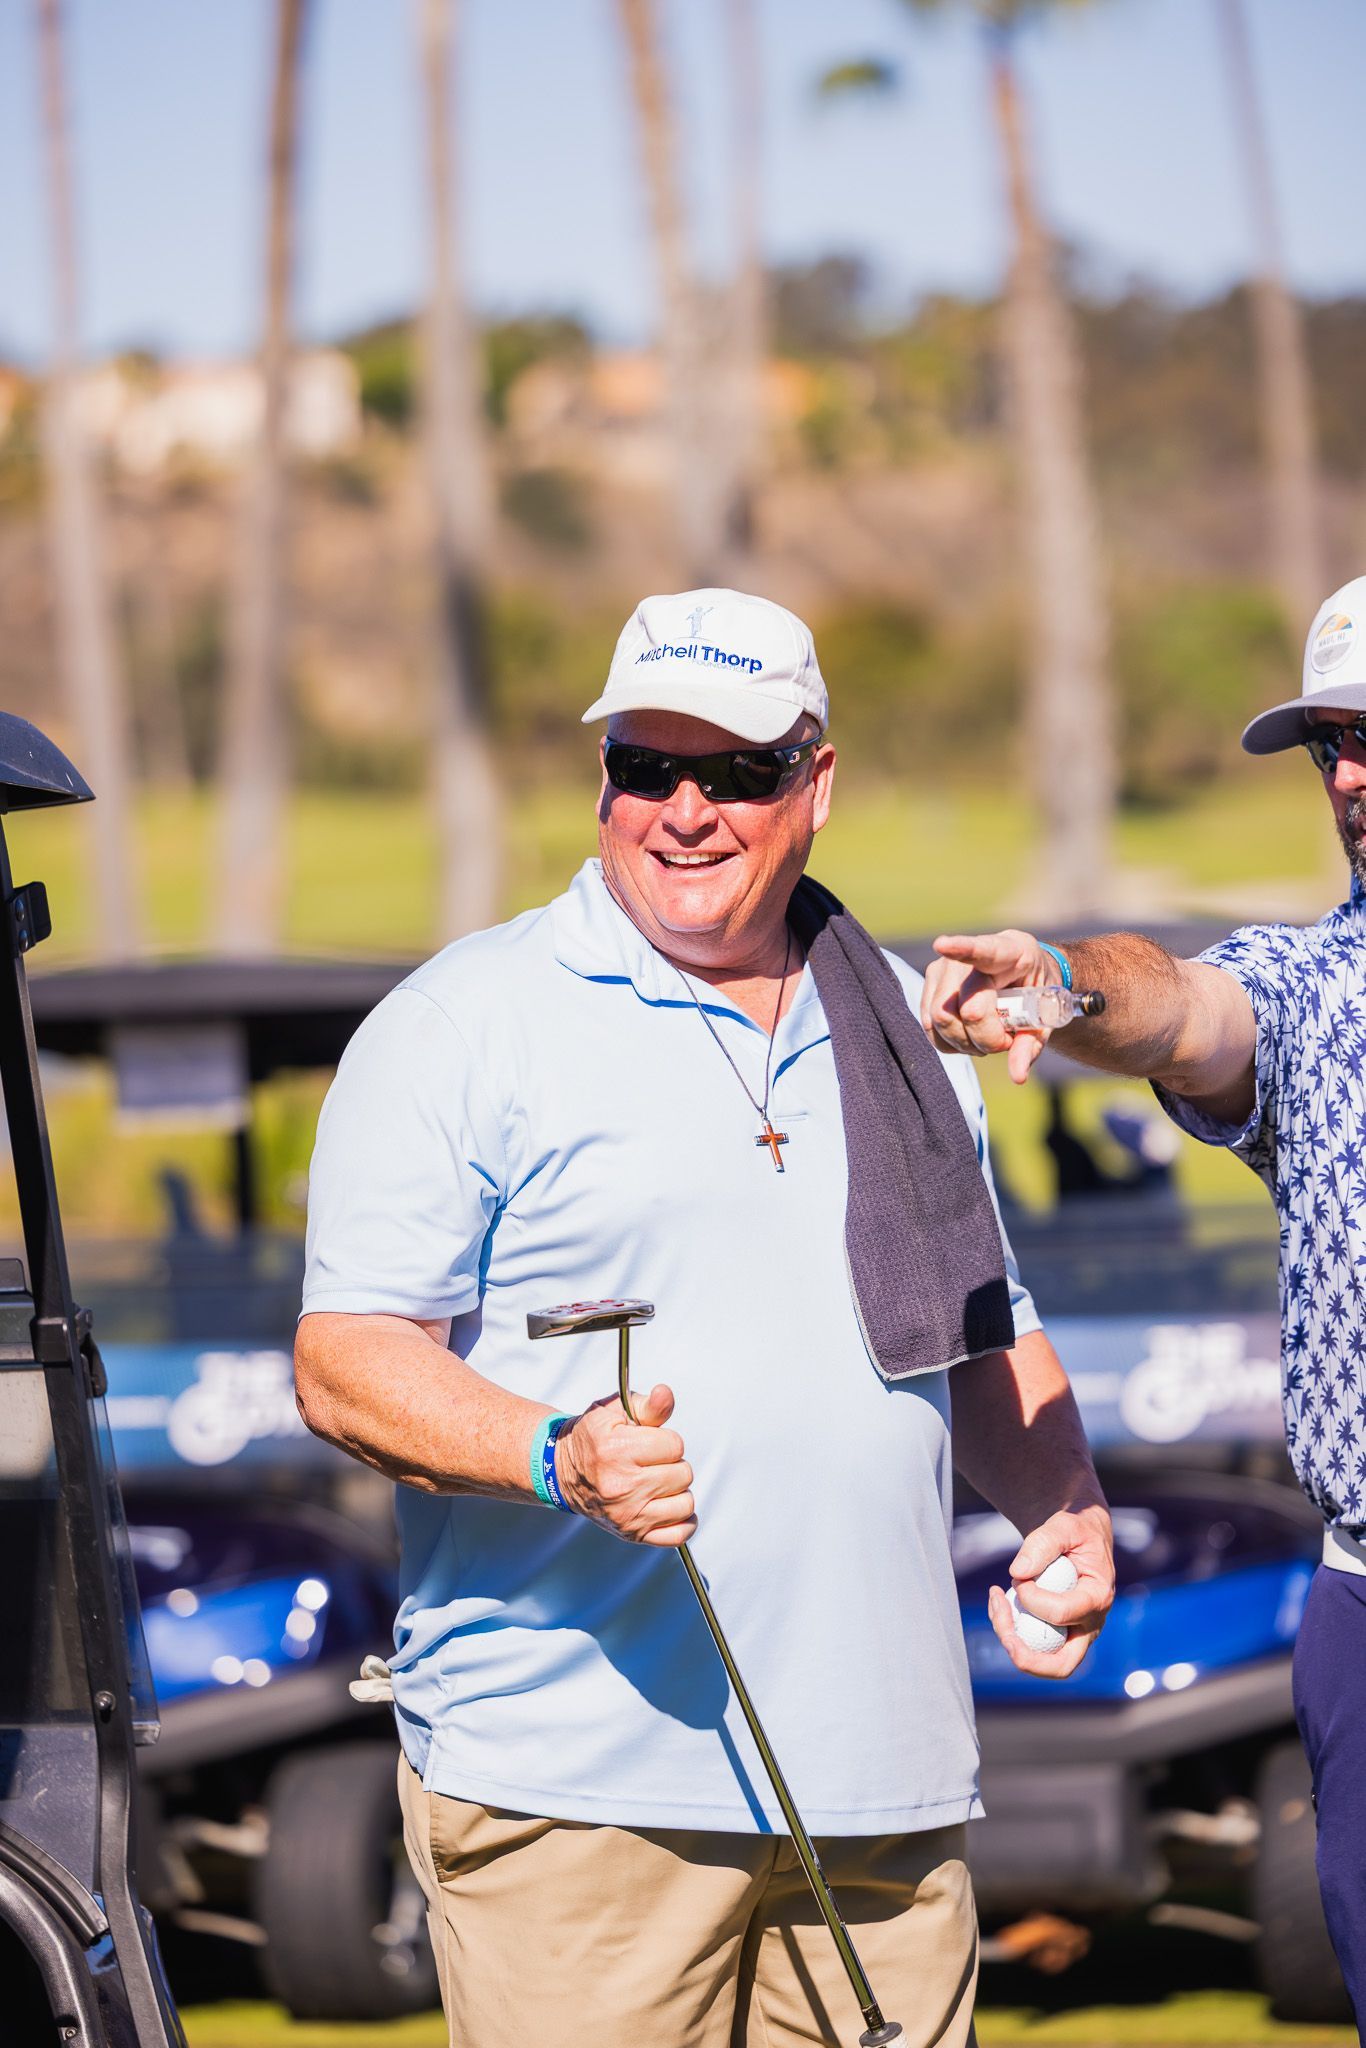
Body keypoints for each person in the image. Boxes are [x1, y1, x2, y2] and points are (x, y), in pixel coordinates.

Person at [296, 587, 1114, 2048]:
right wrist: (559, 1457)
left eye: (735, 772)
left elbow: (980, 1324)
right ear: (602, 779)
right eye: (645, 767)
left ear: (816, 783)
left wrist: (1062, 1507)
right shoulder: (462, 1022)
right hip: (578, 1800)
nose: (685, 810)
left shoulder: (906, 1030)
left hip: (883, 1790)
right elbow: (349, 1364)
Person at [920, 573, 1366, 2032]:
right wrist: (1059, 980)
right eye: (1328, 749)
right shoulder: (1323, 991)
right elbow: (1179, 1003)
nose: (1350, 778)